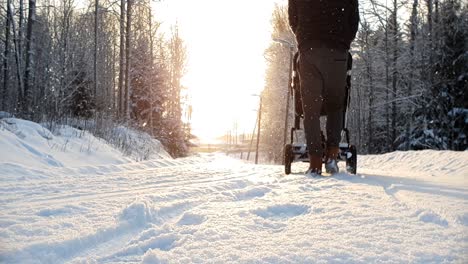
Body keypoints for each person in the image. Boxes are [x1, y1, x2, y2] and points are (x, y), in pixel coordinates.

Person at [288, 0, 359, 176]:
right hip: (337, 50)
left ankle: (315, 162)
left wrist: (302, 37)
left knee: (310, 110)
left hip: (309, 49)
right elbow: (353, 20)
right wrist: (343, 41)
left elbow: (293, 17)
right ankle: (332, 156)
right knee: (336, 104)